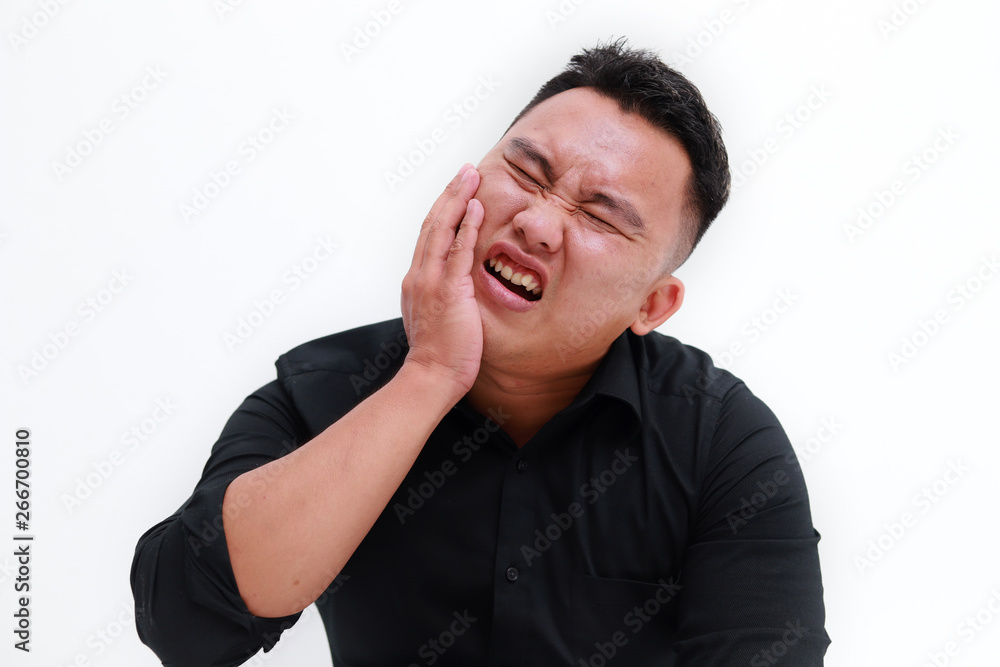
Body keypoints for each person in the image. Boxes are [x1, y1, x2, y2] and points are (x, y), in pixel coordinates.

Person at [131, 39, 830, 666]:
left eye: (598, 215)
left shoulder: (722, 442)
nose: (537, 223)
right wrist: (429, 374)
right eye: (526, 172)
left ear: (652, 305)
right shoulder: (321, 391)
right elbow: (187, 628)